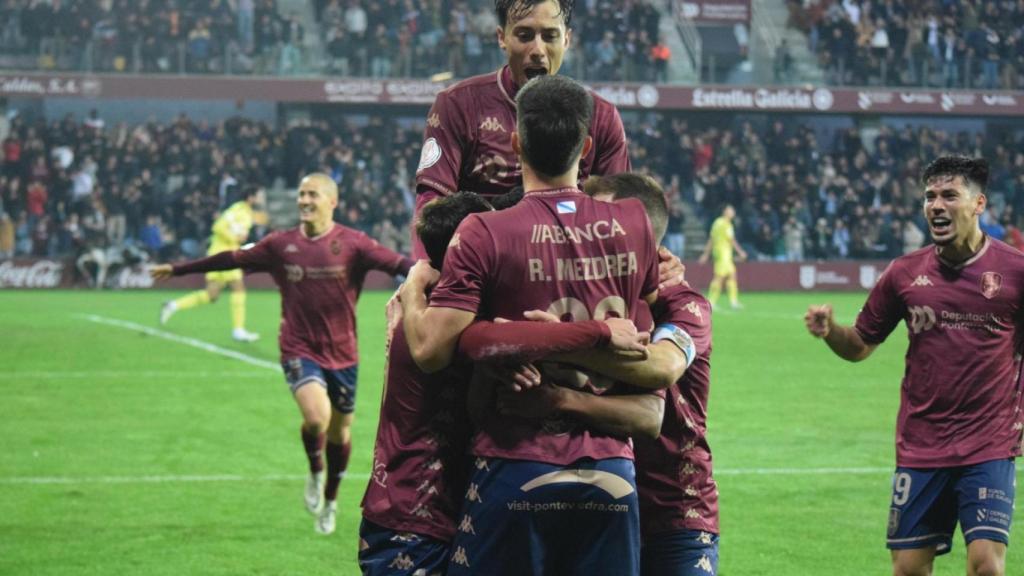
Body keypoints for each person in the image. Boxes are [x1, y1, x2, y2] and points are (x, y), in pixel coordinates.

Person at [401, 75, 661, 576]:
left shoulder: (484, 230)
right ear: (587, 148)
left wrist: (415, 290)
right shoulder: (635, 222)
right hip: (612, 470)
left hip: (515, 458)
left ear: (515, 141)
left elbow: (433, 350)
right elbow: (649, 318)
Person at [151, 173, 415, 535]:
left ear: (332, 202)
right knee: (318, 417)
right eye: (301, 193)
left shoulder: (353, 244)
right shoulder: (280, 244)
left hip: (343, 352)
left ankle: (332, 500)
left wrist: (436, 274)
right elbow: (230, 257)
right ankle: (314, 470)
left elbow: (400, 264)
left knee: (340, 432)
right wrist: (179, 269)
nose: (304, 200)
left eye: (313, 194)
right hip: (297, 345)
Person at [805, 156, 1022, 576]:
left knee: (987, 566)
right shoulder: (904, 274)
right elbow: (860, 345)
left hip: (989, 443)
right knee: (907, 569)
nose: (936, 205)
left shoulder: (1015, 272)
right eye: (929, 197)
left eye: (949, 196)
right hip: (922, 443)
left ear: (979, 204)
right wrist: (831, 330)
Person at [411, 0, 630, 258]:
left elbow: (619, 214)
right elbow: (432, 204)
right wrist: (423, 265)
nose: (537, 50)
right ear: (502, 38)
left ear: (567, 40)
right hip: (483, 267)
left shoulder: (601, 116)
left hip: (566, 272)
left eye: (549, 36)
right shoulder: (458, 104)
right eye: (525, 35)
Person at [159, 185, 266, 342]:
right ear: (251, 197)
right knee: (238, 288)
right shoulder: (241, 212)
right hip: (225, 254)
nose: (261, 199)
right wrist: (234, 237)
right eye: (259, 195)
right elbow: (218, 227)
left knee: (211, 295)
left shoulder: (239, 210)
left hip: (219, 252)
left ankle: (173, 306)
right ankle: (238, 330)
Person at [698, 204, 747, 310]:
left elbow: (711, 239)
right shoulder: (726, 224)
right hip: (723, 254)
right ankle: (711, 302)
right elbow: (731, 240)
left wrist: (706, 254)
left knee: (732, 275)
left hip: (721, 253)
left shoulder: (716, 223)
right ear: (725, 211)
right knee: (719, 277)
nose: (732, 212)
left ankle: (733, 302)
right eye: (730, 210)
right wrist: (741, 252)